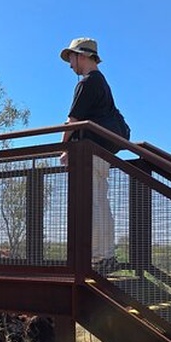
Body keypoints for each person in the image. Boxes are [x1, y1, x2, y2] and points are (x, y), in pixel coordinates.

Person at [59, 37, 130, 274]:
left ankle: (98, 258)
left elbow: (72, 121)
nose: (70, 65)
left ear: (82, 56)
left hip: (89, 153)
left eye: (71, 58)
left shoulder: (87, 83)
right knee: (100, 203)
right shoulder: (102, 82)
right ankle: (105, 256)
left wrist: (64, 149)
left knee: (92, 204)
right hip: (100, 152)